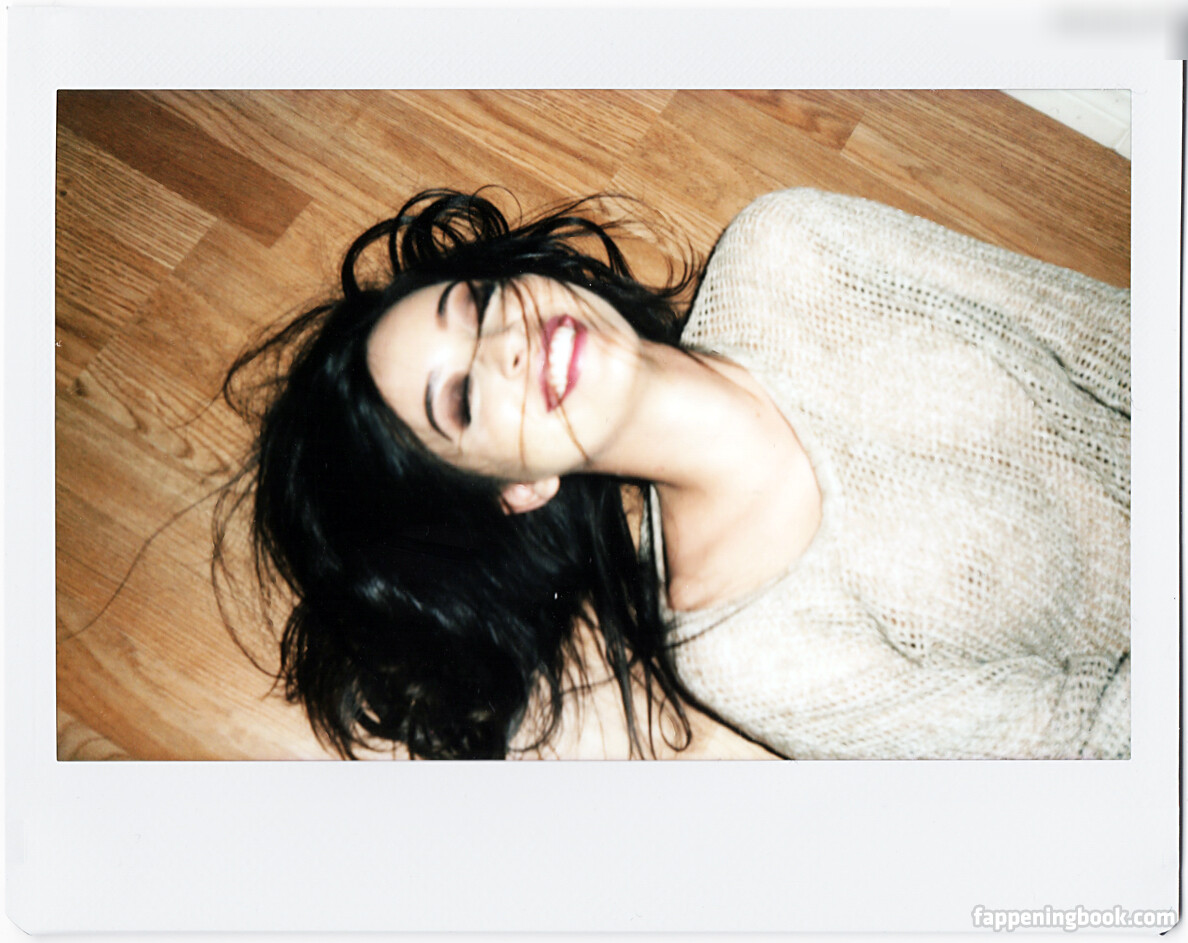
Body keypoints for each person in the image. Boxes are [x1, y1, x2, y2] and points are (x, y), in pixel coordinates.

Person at [215, 186, 1130, 761]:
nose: (505, 343)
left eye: (479, 302)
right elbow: (1089, 759)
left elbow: (1101, 331)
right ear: (517, 489)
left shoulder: (788, 246)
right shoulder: (743, 647)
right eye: (460, 399)